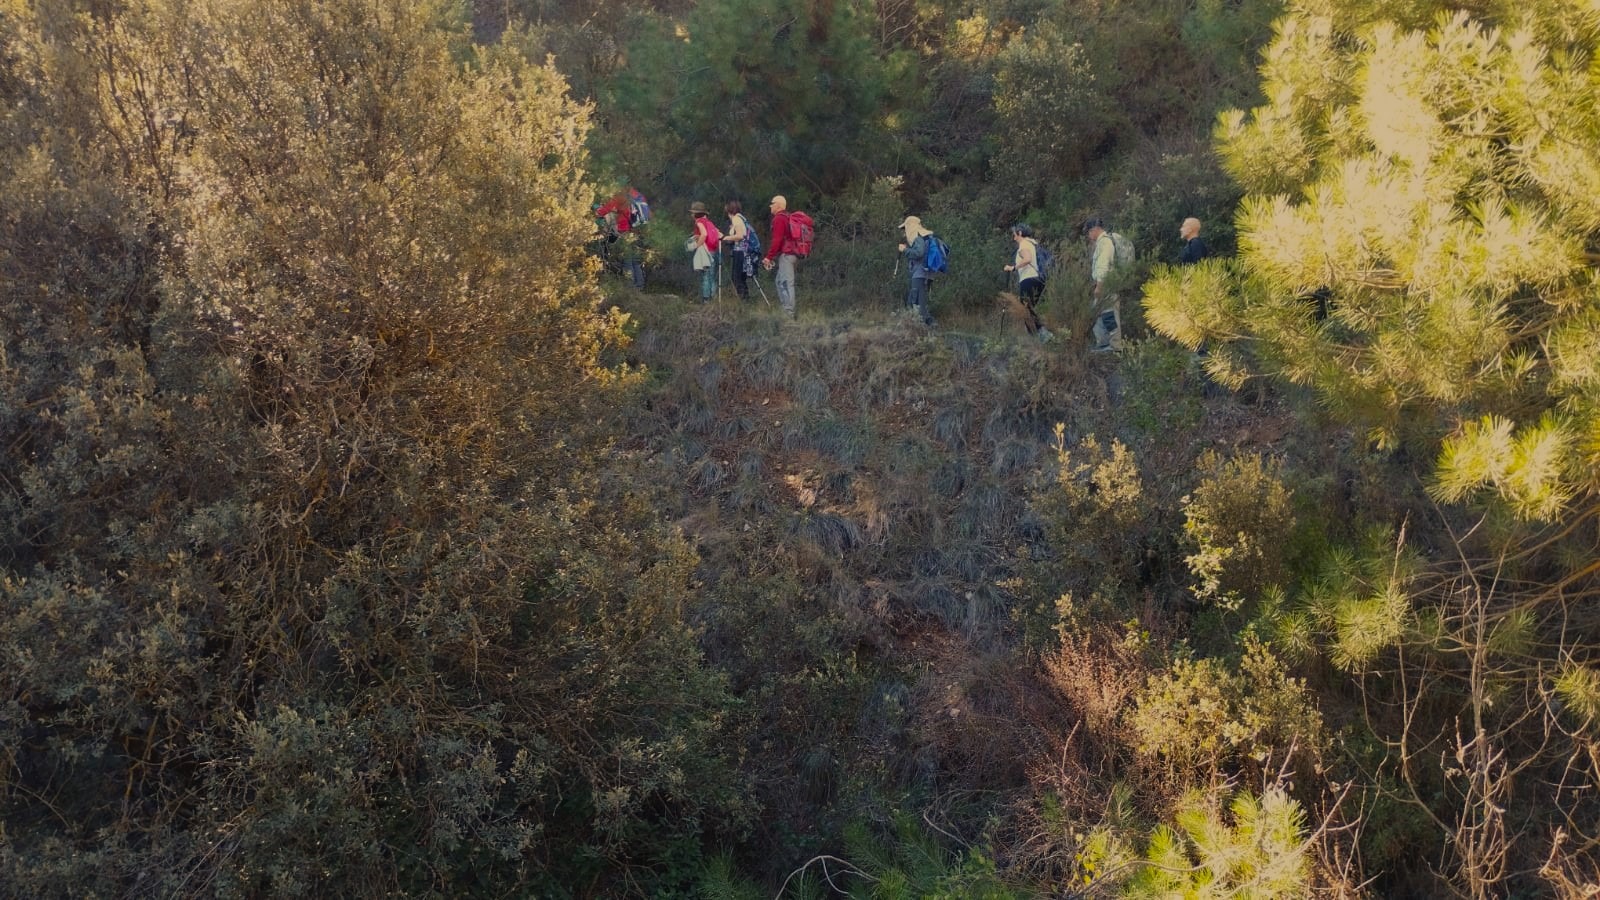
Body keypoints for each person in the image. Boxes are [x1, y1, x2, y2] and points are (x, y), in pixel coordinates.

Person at [1003, 223, 1049, 341]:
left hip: (1028, 279)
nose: (1014, 238)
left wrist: (1013, 268)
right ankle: (1034, 337)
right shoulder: (1032, 244)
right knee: (1028, 309)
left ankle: (1043, 334)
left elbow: (1027, 259)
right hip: (1038, 279)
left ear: (1020, 233)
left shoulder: (1023, 244)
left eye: (1014, 235)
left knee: (1025, 309)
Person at [594, 188, 645, 289]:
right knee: (635, 261)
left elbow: (602, 211)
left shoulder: (617, 199)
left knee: (627, 261)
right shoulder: (633, 199)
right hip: (636, 234)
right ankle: (639, 285)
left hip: (624, 233)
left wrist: (596, 209)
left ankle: (630, 287)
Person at [1085, 217, 1120, 352]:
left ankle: (1114, 345)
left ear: (1094, 229)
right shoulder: (1102, 242)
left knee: (1109, 314)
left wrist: (1099, 286)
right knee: (1100, 313)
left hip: (1106, 284)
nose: (1089, 235)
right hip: (1105, 283)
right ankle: (1105, 343)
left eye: (1089, 232)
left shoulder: (1105, 243)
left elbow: (1103, 266)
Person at [763, 195, 798, 318]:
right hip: (791, 254)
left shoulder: (779, 219)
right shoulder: (787, 217)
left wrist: (769, 257)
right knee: (779, 281)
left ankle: (789, 314)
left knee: (786, 283)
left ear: (778, 205)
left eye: (772, 203)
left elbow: (777, 240)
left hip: (787, 255)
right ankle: (787, 310)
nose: (770, 206)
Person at [896, 216, 936, 326]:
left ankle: (926, 327)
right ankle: (923, 326)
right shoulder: (924, 237)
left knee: (917, 303)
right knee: (917, 302)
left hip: (920, 274)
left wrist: (905, 250)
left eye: (905, 228)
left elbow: (919, 253)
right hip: (925, 274)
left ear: (910, 226)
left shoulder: (918, 238)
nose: (904, 231)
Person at [722, 200, 755, 302]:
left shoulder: (736, 219)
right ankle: (745, 299)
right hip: (744, 251)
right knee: (741, 277)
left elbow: (740, 236)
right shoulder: (741, 218)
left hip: (740, 252)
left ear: (729, 210)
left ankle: (742, 300)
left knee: (737, 277)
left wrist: (725, 238)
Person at [688, 202, 720, 302]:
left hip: (705, 251)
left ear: (695, 214)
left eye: (692, 213)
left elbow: (704, 234)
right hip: (713, 250)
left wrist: (697, 245)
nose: (691, 215)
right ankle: (714, 298)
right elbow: (717, 233)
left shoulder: (699, 222)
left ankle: (706, 299)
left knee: (705, 275)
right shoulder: (709, 222)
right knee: (711, 275)